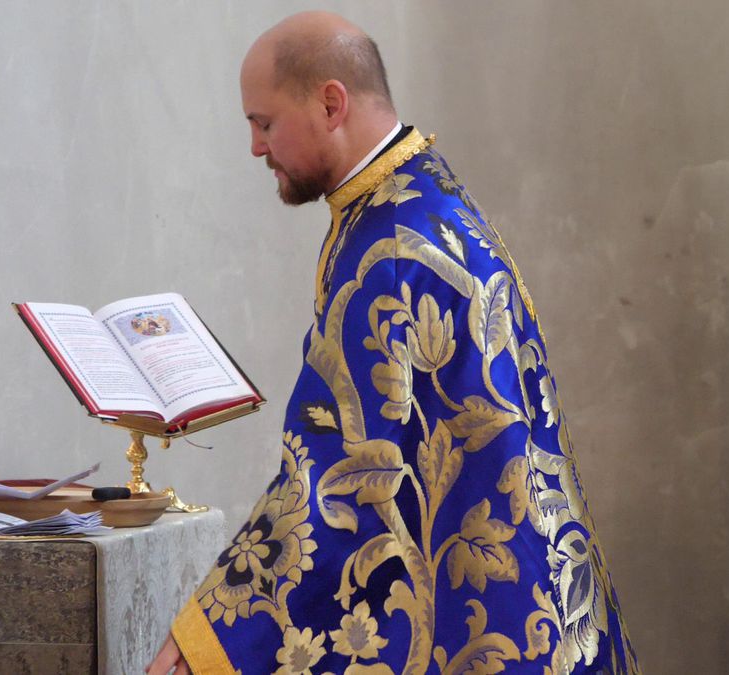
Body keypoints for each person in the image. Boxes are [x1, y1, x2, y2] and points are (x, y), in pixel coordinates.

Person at [149, 11, 639, 674]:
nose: (256, 148)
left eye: (263, 123)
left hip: (487, 628)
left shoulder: (392, 250)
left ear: (330, 103)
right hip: (534, 609)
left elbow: (336, 478)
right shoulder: (424, 198)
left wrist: (211, 635)